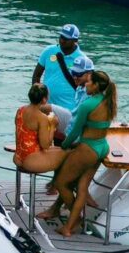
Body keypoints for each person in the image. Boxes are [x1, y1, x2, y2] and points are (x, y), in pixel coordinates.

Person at [46, 69, 117, 236]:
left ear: (96, 85)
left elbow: (75, 132)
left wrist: (64, 146)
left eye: (89, 82)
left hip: (88, 148)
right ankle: (69, 227)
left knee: (61, 183)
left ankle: (76, 219)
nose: (86, 85)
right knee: (82, 187)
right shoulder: (108, 101)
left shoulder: (87, 105)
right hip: (102, 147)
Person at [31, 25, 94, 131]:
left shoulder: (83, 60)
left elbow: (88, 87)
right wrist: (38, 99)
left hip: (69, 109)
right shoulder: (48, 51)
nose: (62, 40)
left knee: (62, 138)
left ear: (75, 40)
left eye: (66, 39)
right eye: (61, 37)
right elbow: (37, 75)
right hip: (46, 105)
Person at [13, 84, 64, 176]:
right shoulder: (41, 117)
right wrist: (52, 126)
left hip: (18, 157)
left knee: (60, 149)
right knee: (67, 155)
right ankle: (57, 183)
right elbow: (45, 145)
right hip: (31, 160)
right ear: (44, 99)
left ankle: (55, 183)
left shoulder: (20, 110)